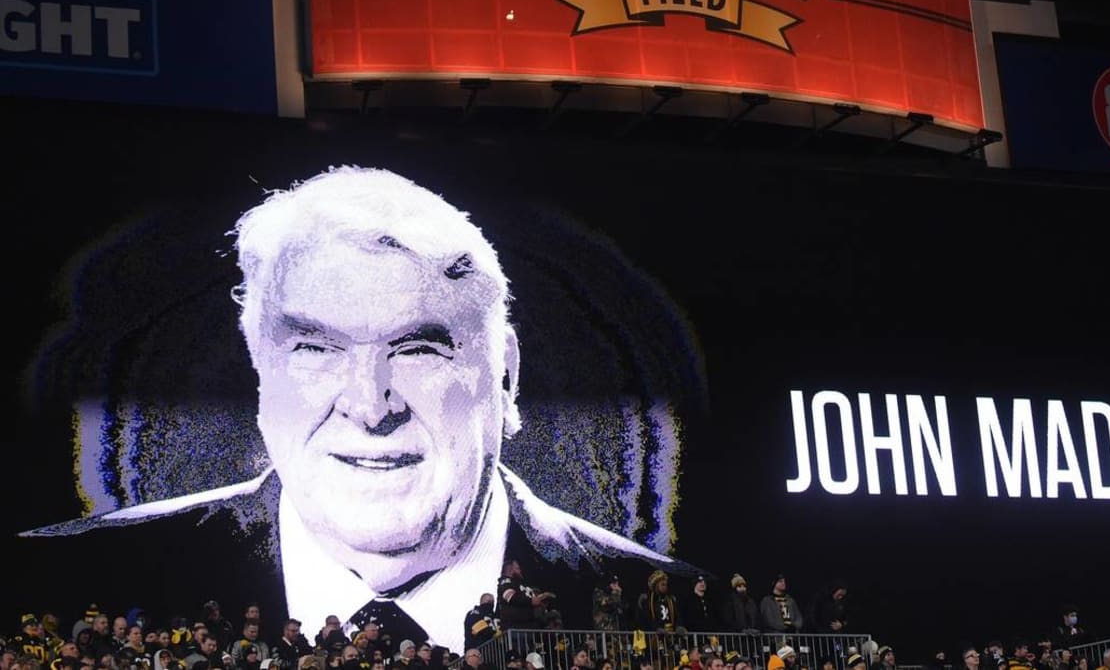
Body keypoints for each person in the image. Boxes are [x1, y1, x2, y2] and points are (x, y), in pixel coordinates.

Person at [22, 168, 695, 652]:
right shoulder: (60, 578)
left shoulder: (656, 593)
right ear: (261, 371)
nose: (370, 406)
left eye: (419, 349)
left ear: (507, 380)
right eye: (316, 347)